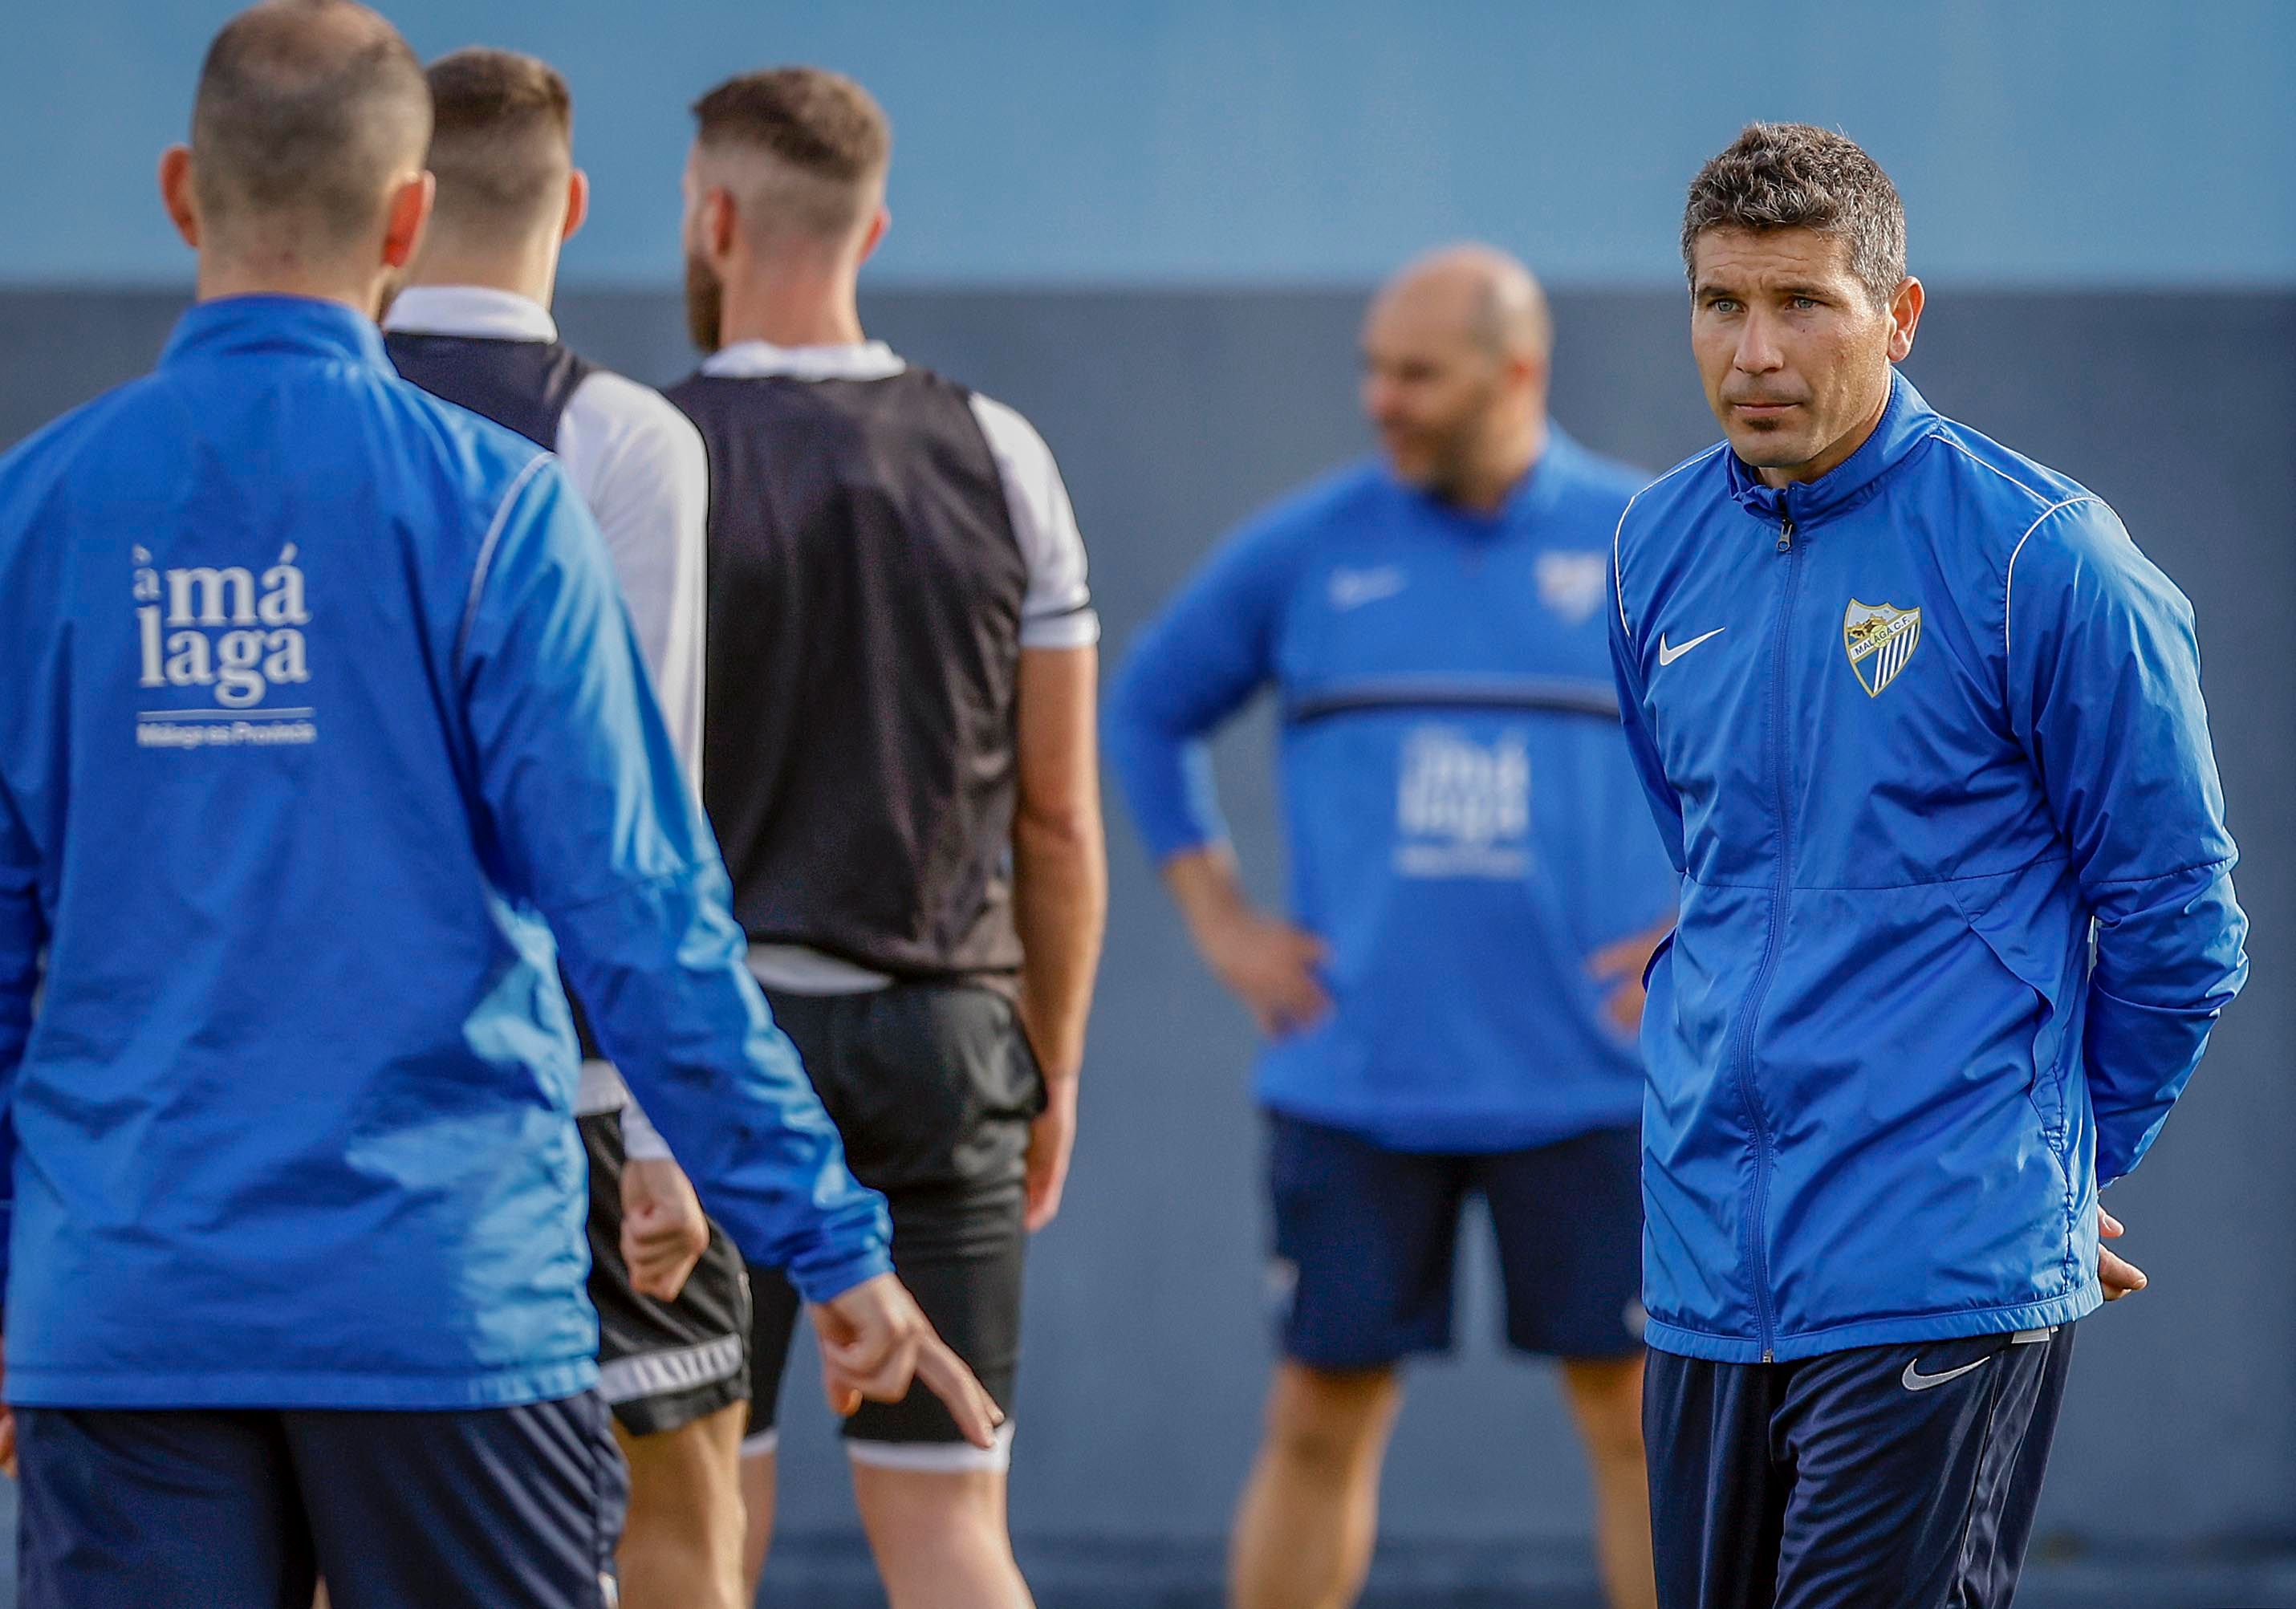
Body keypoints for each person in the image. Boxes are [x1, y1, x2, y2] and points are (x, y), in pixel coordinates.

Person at [0, 7, 996, 1607]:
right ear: (407, 219)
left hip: (125, 1311)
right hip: (441, 1308)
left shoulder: (34, 514)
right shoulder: (497, 510)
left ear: (184, 192)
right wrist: (831, 1238)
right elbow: (641, 917)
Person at [1608, 123, 2248, 1609]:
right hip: (1708, 1271)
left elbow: (2178, 921)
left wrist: (2061, 1157)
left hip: (1934, 1264)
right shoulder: (1652, 550)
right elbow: (1713, 873)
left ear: (1895, 315)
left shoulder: (2045, 556)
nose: (1754, 349)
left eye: (1802, 303)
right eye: (1720, 304)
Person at [1107, 246, 1672, 1609]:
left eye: (1416, 373)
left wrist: (1697, 924)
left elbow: (1783, 744)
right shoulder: (1310, 548)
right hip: (1358, 1081)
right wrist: (1219, 918)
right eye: (1372, 367)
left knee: (1639, 1424)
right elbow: (1146, 707)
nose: (1382, 399)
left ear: (1516, 371)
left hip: (1591, 1083)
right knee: (1315, 1413)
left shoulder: (1641, 541)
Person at [665, 67, 1107, 1609]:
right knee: (950, 1536)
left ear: (712, 219)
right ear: (876, 225)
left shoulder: (637, 456)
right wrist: (1046, 1062)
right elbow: (1056, 817)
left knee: (696, 1528)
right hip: (947, 1042)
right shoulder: (1003, 452)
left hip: (712, 1060)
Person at [380, 47, 747, 1609]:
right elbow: (644, 805)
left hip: (335, 1078)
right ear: (576, 207)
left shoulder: (300, 422)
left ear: (395, 214)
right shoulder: (623, 440)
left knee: (356, 1510)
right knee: (677, 1499)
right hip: (573, 1081)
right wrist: (671, 1131)